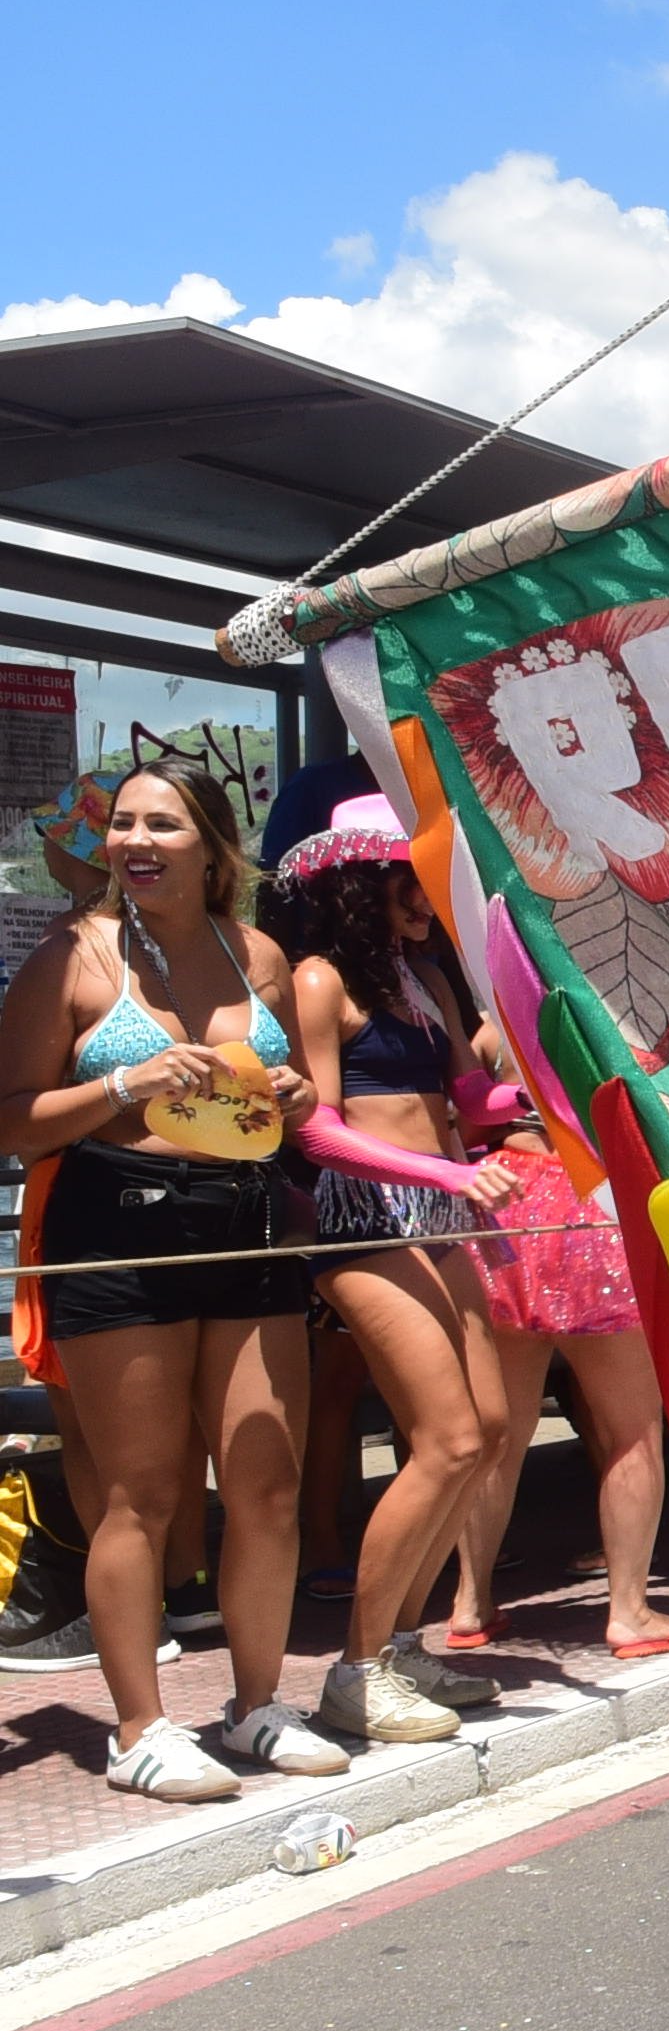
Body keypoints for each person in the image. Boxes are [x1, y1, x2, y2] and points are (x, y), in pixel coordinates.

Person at [0, 760, 335, 1797]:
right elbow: (12, 1119)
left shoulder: (262, 955)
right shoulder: (75, 953)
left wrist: (295, 1091)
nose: (135, 841)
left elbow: (309, 1111)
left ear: (214, 845)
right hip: (119, 1226)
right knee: (142, 1493)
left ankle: (257, 1706)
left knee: (266, 1482)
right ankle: (140, 1727)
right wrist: (121, 1082)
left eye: (162, 824)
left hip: (248, 1224)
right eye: (123, 824)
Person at [270, 797, 520, 1744]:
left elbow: (472, 1094)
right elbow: (319, 1129)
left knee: (491, 1430)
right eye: (415, 881)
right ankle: (357, 1669)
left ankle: (403, 1646)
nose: (430, 901)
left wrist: (569, 1068)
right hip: (364, 1225)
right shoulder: (318, 981)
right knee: (451, 1439)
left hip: (440, 1216)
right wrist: (447, 1168)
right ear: (364, 883)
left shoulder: (425, 981)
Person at [444, 1040, 669, 1656]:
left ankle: (470, 1603)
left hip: (510, 1195)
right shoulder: (603, 1007)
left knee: (499, 1434)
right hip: (594, 1199)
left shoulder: (488, 1019)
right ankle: (629, 1611)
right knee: (632, 1430)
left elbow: (471, 1118)